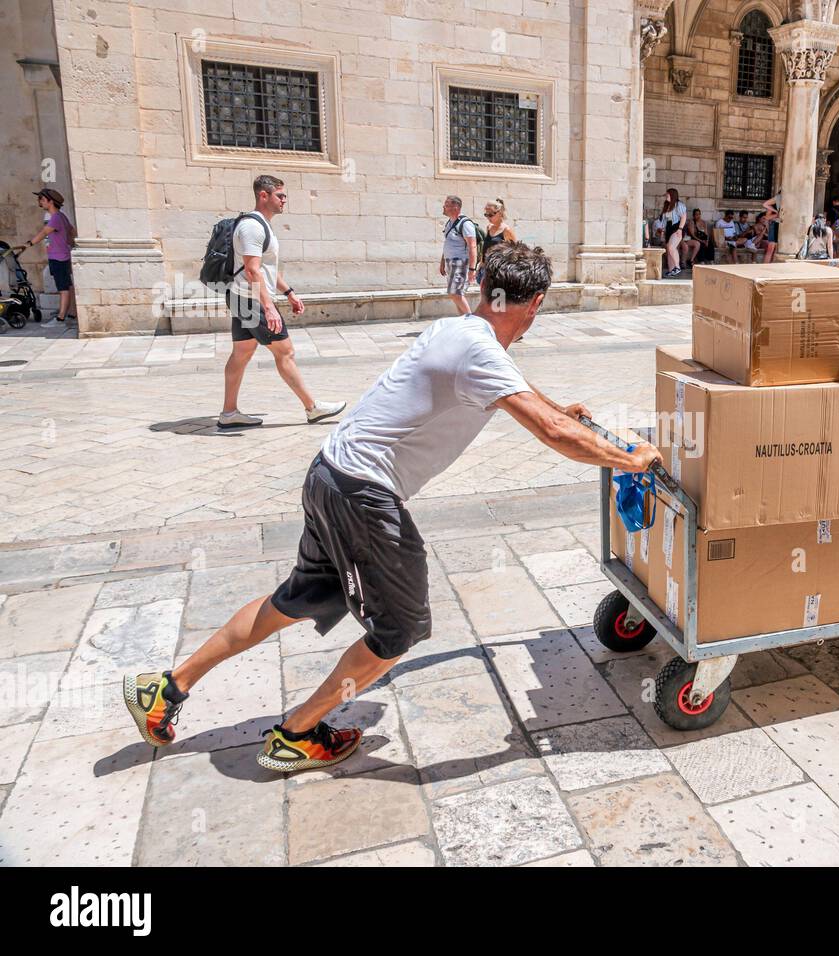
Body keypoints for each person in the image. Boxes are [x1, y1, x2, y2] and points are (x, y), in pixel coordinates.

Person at [123, 242, 663, 770]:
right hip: (364, 497)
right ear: (536, 303)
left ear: (483, 288)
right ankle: (297, 735)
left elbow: (521, 391)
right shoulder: (481, 352)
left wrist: (553, 404)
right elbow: (552, 434)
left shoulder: (457, 329)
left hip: (329, 472)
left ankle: (168, 687)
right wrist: (630, 459)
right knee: (399, 631)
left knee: (295, 598)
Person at [218, 175, 346, 430]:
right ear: (263, 196)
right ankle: (312, 408)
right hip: (252, 300)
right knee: (285, 352)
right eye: (280, 195)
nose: (284, 200)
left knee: (242, 353)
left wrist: (288, 293)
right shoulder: (252, 227)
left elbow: (265, 268)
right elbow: (253, 271)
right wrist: (268, 307)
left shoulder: (261, 226)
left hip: (243, 297)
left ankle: (229, 413)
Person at [27, 188, 76, 328]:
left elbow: (44, 232)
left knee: (63, 288)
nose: (39, 202)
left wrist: (29, 243)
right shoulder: (61, 216)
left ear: (50, 201)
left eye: (42, 200)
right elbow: (71, 230)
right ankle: (71, 313)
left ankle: (60, 319)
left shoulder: (55, 218)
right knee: (68, 285)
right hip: (61, 255)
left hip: (59, 257)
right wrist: (69, 243)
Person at [441, 195, 478, 315]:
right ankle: (463, 322)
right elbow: (448, 243)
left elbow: (472, 246)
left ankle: (471, 322)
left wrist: (472, 269)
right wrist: (442, 262)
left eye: (446, 205)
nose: (444, 207)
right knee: (456, 295)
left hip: (461, 263)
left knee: (455, 294)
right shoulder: (449, 222)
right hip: (450, 262)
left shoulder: (465, 224)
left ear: (455, 207)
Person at [476, 198, 516, 288]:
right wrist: (481, 264)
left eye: (490, 214)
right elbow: (486, 247)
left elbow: (515, 250)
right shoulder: (489, 227)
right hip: (485, 270)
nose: (488, 217)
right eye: (486, 214)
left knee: (497, 299)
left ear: (500, 213)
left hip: (498, 271)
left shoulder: (507, 230)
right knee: (486, 298)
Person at [660, 188, 688, 277]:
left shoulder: (679, 205)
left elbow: (684, 217)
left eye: (667, 195)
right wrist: (663, 231)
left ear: (672, 195)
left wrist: (680, 229)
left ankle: (677, 267)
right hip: (669, 228)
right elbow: (664, 220)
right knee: (669, 249)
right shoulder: (667, 205)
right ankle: (671, 270)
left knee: (671, 247)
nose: (666, 196)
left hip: (677, 227)